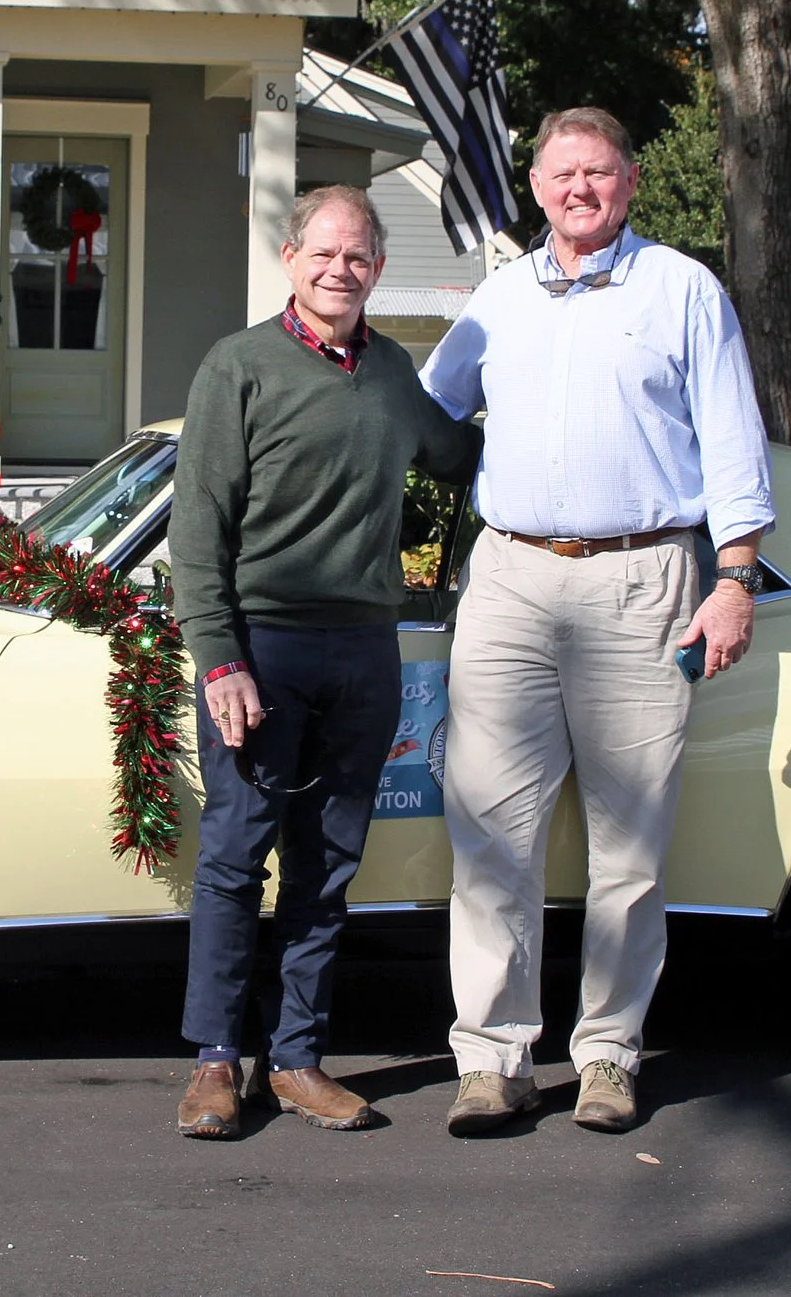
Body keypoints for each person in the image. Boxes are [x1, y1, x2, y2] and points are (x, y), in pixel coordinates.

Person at [420, 107, 776, 1136]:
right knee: (490, 829)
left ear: (629, 183)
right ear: (535, 187)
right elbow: (427, 416)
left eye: (601, 171)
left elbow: (731, 445)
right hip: (511, 581)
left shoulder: (681, 291)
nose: (581, 187)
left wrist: (735, 575)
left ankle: (608, 1054)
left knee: (630, 845)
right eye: (563, 171)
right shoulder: (495, 300)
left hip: (644, 580)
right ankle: (491, 1058)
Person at [169, 183, 483, 1139]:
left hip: (363, 651)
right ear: (290, 258)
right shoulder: (240, 366)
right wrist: (220, 659)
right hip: (261, 649)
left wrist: (426, 576)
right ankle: (217, 1063)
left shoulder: (391, 371)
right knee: (235, 855)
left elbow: (452, 460)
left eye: (358, 257)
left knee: (327, 864)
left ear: (377, 271)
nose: (340, 270)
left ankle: (298, 1058)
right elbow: (198, 525)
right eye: (324, 253)